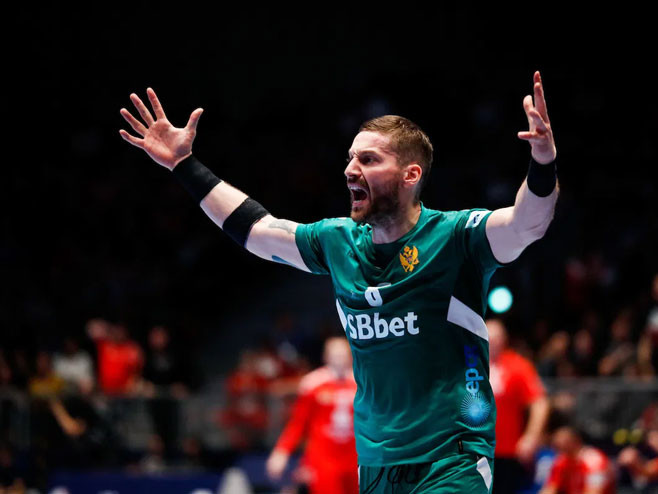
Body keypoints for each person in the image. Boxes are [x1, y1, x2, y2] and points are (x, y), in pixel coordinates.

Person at [119, 70, 559, 493]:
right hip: (376, 464)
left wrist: (542, 161)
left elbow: (527, 224)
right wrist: (185, 165)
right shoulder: (336, 241)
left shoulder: (456, 237)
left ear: (411, 175)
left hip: (452, 458)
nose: (350, 169)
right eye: (350, 157)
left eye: (368, 159)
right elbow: (255, 231)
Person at [266, 336, 358, 494]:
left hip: (355, 456)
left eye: (343, 354)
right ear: (326, 357)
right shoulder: (313, 383)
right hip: (324, 458)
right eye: (335, 355)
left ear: (351, 356)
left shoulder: (362, 382)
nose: (340, 359)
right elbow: (298, 423)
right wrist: (281, 451)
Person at [487, 318, 550, 494]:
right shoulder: (470, 364)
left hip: (507, 452)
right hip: (474, 449)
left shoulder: (518, 366)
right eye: (488, 336)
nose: (492, 342)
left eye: (497, 337)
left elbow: (540, 403)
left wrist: (531, 436)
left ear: (504, 340)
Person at [539, 426, 615, 494]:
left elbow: (595, 491)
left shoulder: (594, 460)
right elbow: (550, 488)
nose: (560, 446)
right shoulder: (562, 461)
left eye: (564, 443)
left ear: (575, 441)